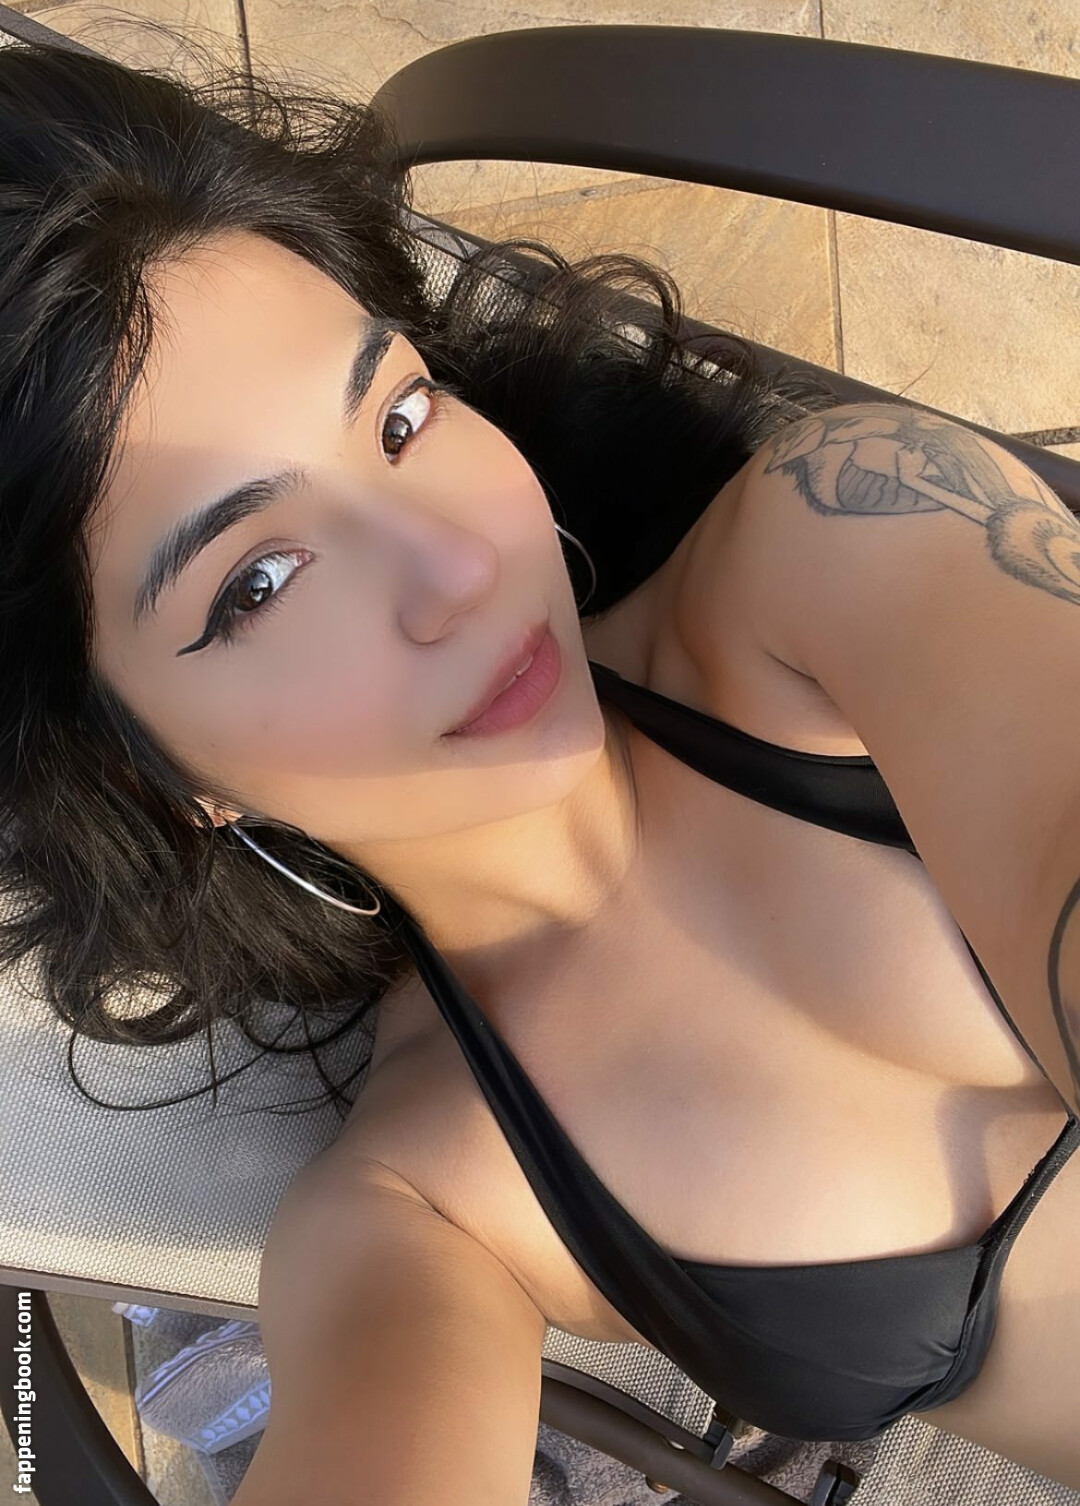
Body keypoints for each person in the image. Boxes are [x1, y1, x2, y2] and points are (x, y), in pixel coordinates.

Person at [1, 29, 1077, 1505]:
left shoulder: (839, 543)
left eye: (399, 416)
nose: (460, 562)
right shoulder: (433, 1200)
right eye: (258, 581)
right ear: (155, 777)